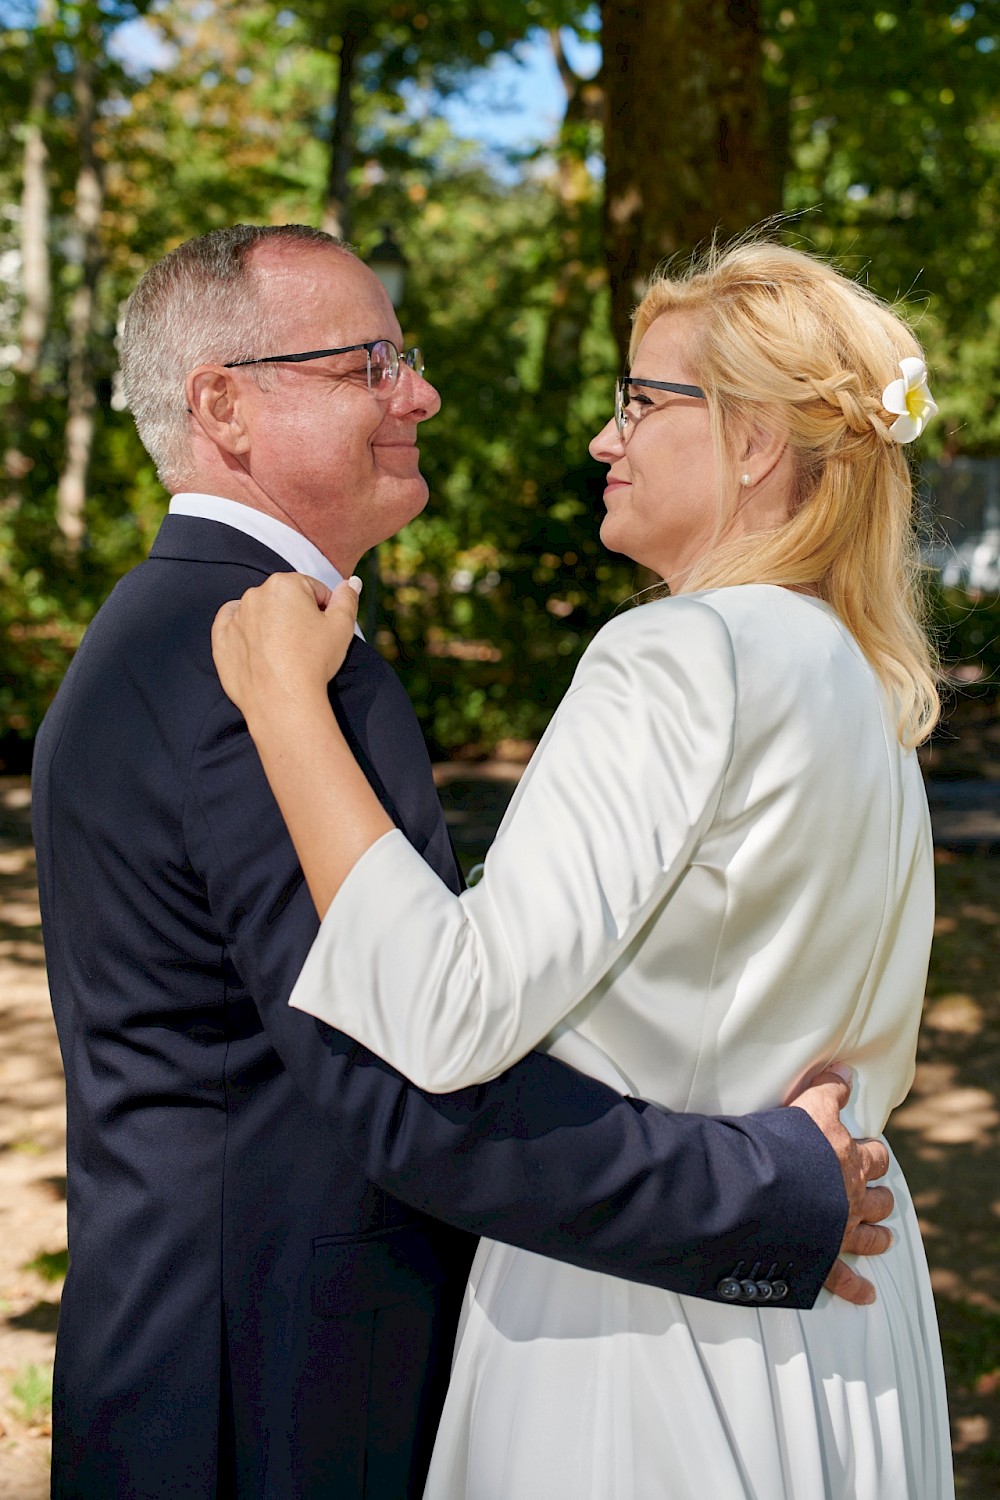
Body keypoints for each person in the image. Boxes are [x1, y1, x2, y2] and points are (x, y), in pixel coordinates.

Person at [33, 224, 890, 1500]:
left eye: (408, 358)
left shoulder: (229, 634)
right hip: (264, 1395)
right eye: (366, 363)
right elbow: (399, 1088)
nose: (418, 393)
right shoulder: (234, 662)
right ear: (225, 406)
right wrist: (765, 1189)